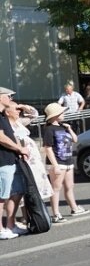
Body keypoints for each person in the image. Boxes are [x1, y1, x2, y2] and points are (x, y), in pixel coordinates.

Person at [42, 103, 90, 223]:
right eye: (61, 113)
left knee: (69, 186)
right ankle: (56, 214)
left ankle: (74, 208)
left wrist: (69, 128)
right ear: (55, 115)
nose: (63, 114)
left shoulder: (63, 127)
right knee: (56, 188)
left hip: (68, 160)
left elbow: (75, 139)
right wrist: (55, 165)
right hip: (57, 161)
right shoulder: (49, 129)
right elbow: (47, 148)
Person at [8, 102, 53, 202]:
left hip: (32, 159)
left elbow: (34, 114)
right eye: (15, 109)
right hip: (22, 159)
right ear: (7, 112)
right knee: (24, 190)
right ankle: (23, 215)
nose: (18, 111)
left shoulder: (19, 121)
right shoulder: (6, 125)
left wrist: (22, 106)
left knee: (35, 188)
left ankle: (31, 215)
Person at [0, 87, 29, 240]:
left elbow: (10, 135)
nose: (10, 99)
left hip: (10, 159)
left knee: (13, 193)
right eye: (8, 96)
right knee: (1, 197)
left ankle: (10, 225)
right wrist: (19, 148)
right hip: (2, 161)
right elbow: (1, 138)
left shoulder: (2, 116)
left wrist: (20, 150)